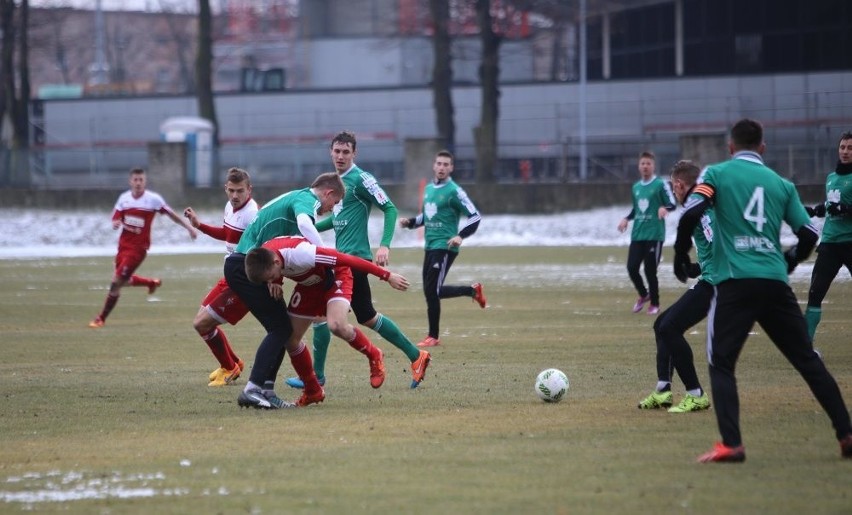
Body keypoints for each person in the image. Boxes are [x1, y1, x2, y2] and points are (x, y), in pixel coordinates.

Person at [674, 118, 852, 462]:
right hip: (773, 283)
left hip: (734, 284)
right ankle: (846, 433)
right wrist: (787, 263)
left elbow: (691, 212)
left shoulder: (716, 175)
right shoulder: (781, 184)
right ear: (763, 148)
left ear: (730, 147)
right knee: (807, 360)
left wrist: (681, 256)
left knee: (721, 362)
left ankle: (732, 444)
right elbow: (810, 235)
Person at [285, 130, 431, 390]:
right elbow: (340, 219)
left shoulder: (362, 179)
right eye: (337, 151)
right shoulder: (335, 182)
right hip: (340, 260)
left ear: (355, 154)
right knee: (346, 316)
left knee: (355, 317)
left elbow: (390, 208)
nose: (340, 156)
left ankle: (411, 355)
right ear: (331, 152)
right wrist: (310, 228)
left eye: (346, 152)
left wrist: (384, 244)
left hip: (354, 261)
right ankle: (414, 356)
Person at [226, 172, 344, 409]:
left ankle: (266, 390)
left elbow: (276, 246)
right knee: (280, 328)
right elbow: (303, 224)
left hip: (250, 263)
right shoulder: (305, 200)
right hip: (244, 264)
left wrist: (274, 279)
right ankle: (252, 389)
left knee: (281, 328)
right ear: (328, 193)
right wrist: (325, 258)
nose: (332, 209)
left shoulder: (296, 198)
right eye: (335, 203)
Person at [245, 236, 411, 390]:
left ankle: (374, 354)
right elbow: (272, 269)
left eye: (272, 276)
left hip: (336, 275)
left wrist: (387, 275)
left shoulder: (302, 254)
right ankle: (313, 391)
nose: (270, 280)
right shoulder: (267, 255)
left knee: (336, 325)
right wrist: (275, 281)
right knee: (290, 339)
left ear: (275, 262)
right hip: (308, 285)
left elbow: (348, 260)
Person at [637, 160, 710, 413]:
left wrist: (691, 264)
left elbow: (721, 244)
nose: (674, 192)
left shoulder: (697, 209)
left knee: (669, 327)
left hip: (719, 284)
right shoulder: (702, 205)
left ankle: (695, 394)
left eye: (674, 187)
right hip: (710, 277)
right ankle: (663, 390)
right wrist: (697, 268)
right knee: (662, 325)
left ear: (679, 185)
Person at [89, 167, 197, 328]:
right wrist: (116, 223)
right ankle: (151, 283)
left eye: (141, 180)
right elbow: (115, 217)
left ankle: (101, 318)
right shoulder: (124, 199)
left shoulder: (153, 200)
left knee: (115, 283)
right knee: (123, 281)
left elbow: (171, 214)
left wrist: (189, 227)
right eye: (135, 180)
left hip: (138, 249)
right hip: (122, 247)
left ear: (145, 182)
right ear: (130, 181)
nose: (138, 183)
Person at [399, 149, 487, 347]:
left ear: (451, 168)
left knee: (432, 290)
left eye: (446, 165)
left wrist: (460, 236)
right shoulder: (430, 189)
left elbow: (475, 216)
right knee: (430, 290)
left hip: (445, 246)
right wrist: (410, 222)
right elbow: (426, 217)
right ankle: (472, 291)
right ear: (434, 165)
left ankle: (433, 336)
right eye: (439, 163)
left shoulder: (454, 191)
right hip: (430, 246)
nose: (442, 167)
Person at [183, 167, 258, 387]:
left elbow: (262, 250)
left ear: (249, 190)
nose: (235, 196)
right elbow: (227, 234)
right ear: (226, 188)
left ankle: (229, 367)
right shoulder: (229, 207)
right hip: (230, 276)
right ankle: (233, 363)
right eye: (231, 191)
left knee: (202, 324)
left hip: (242, 282)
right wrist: (199, 226)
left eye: (240, 191)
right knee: (202, 319)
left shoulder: (253, 214)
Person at [803, 131, 852, 346]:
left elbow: (841, 207)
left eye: (850, 148)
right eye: (842, 147)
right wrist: (813, 211)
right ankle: (806, 346)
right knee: (815, 293)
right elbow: (830, 206)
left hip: (850, 243)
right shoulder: (831, 178)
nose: (845, 152)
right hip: (830, 243)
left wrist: (845, 209)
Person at [617, 151, 677, 315]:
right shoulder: (636, 187)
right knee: (631, 268)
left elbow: (672, 203)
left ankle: (655, 304)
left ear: (653, 166)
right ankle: (644, 295)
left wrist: (664, 208)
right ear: (639, 166)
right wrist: (626, 219)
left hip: (654, 235)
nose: (645, 166)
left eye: (648, 163)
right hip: (638, 234)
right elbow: (636, 209)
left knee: (650, 270)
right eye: (642, 163)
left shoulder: (660, 184)